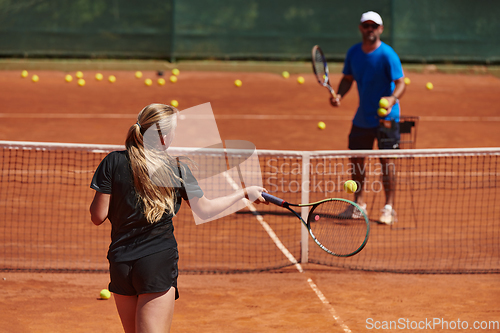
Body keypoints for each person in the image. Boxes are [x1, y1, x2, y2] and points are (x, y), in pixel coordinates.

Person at [89, 103, 266, 333]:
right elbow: (206, 209)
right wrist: (244, 193)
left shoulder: (112, 162)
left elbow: (97, 216)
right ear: (164, 137)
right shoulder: (177, 169)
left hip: (121, 263)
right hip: (157, 263)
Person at [330, 11, 406, 224]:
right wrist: (339, 95)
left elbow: (401, 83)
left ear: (380, 29)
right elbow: (347, 79)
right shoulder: (354, 53)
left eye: (374, 26)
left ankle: (389, 208)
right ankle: (358, 205)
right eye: (366, 25)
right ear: (361, 28)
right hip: (363, 117)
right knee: (356, 160)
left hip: (387, 118)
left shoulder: (387, 54)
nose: (370, 29)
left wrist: (392, 99)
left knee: (387, 162)